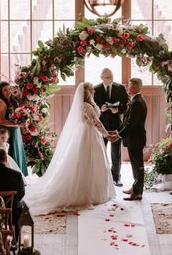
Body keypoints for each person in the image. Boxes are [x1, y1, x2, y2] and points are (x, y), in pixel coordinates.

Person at [23, 83, 116, 214]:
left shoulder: (89, 104)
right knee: (86, 162)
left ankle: (95, 191)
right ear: (86, 92)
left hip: (92, 134)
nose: (94, 91)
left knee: (95, 162)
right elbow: (96, 121)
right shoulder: (85, 106)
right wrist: (107, 134)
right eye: (91, 90)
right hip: (88, 135)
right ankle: (85, 192)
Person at [112, 78, 147, 201]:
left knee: (138, 166)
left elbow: (131, 124)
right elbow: (127, 121)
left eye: (130, 86)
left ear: (137, 87)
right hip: (133, 138)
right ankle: (135, 187)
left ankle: (138, 192)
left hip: (136, 138)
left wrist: (119, 135)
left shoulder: (138, 102)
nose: (127, 88)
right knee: (135, 165)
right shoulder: (135, 100)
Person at [94, 68, 129, 187]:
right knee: (100, 151)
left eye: (111, 76)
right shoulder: (95, 89)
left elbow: (126, 105)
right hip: (101, 125)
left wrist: (118, 110)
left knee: (116, 153)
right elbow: (91, 107)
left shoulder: (120, 88)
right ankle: (101, 177)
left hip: (116, 125)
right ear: (101, 78)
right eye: (107, 77)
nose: (110, 79)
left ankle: (116, 177)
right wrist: (100, 109)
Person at [0, 81, 28, 176]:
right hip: (3, 133)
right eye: (5, 90)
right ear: (0, 91)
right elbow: (1, 121)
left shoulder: (9, 99)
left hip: (12, 131)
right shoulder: (0, 102)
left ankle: (18, 176)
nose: (8, 92)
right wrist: (18, 125)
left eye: (9, 89)